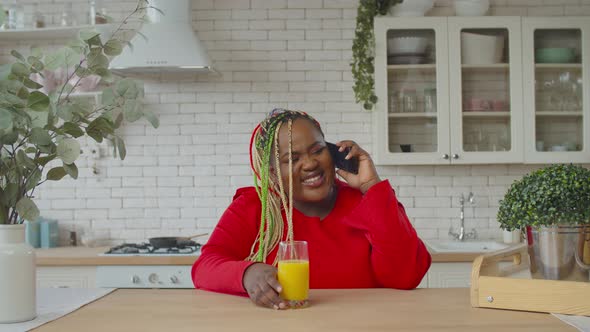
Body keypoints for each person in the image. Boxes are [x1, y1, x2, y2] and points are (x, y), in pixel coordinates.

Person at [192, 109, 431, 309]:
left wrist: (371, 187)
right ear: (273, 173)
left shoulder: (368, 202)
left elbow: (405, 276)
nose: (310, 164)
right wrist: (247, 274)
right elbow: (204, 267)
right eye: (292, 159)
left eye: (318, 150)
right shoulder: (256, 207)